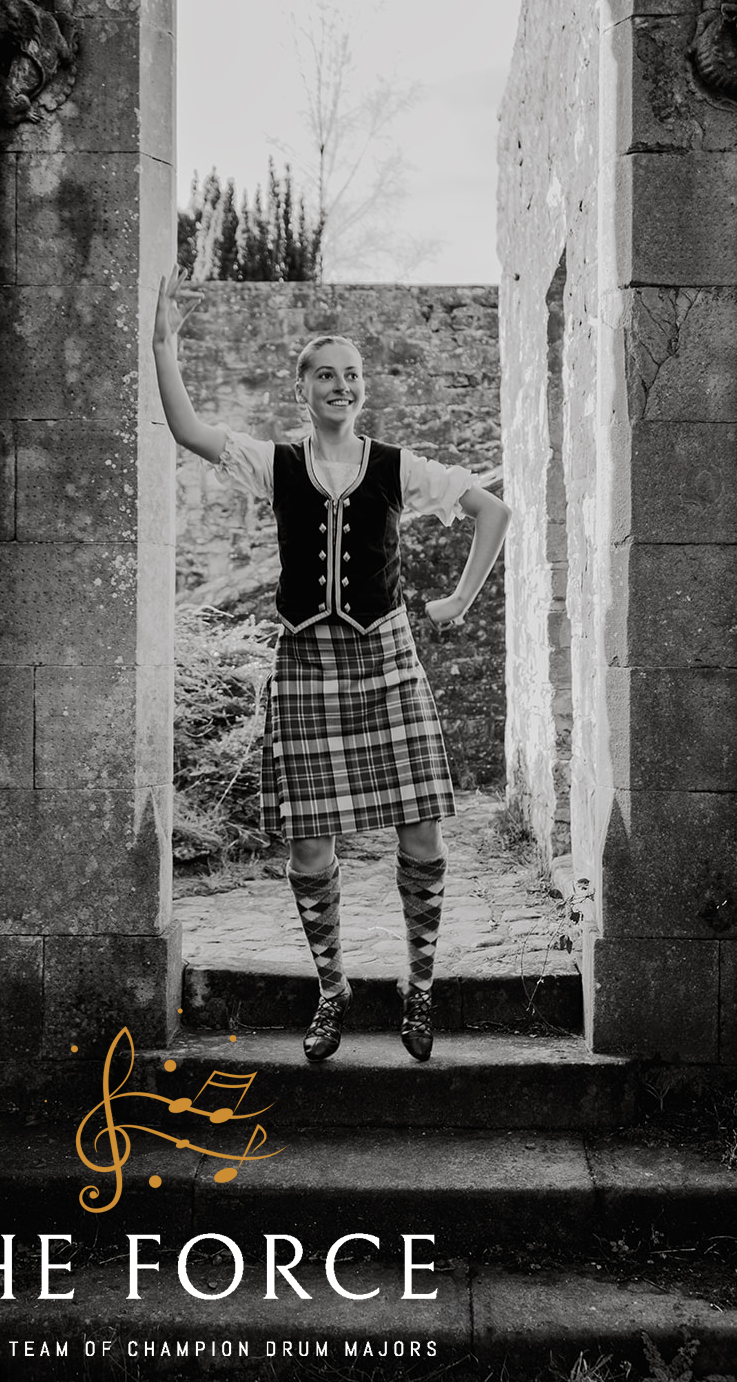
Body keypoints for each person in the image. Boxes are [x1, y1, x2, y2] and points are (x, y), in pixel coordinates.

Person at [153, 265, 511, 1064]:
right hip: (306, 662)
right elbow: (188, 431)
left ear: (362, 388)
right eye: (325, 375)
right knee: (309, 847)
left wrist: (458, 600)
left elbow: (492, 510)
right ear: (303, 389)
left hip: (384, 657)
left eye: (351, 374)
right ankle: (331, 989)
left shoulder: (397, 466)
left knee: (420, 831)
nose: (340, 385)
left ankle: (420, 987)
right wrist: (163, 348)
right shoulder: (275, 463)